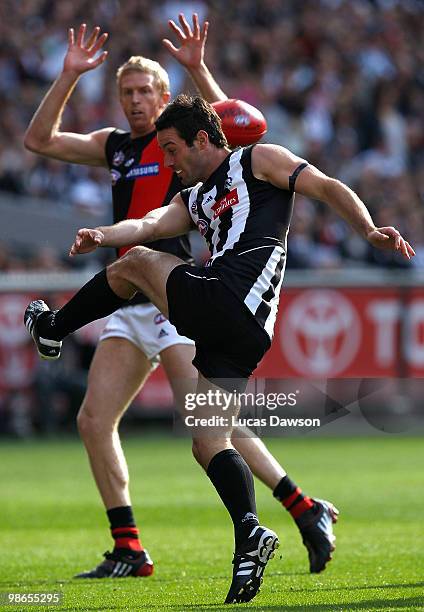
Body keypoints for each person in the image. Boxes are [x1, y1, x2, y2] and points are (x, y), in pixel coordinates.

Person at [24, 17, 339, 585]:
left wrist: (198, 67)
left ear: (168, 99)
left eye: (146, 90)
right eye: (127, 92)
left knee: (211, 422)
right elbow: (39, 141)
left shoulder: (187, 144)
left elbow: (240, 136)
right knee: (94, 420)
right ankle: (128, 547)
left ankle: (300, 506)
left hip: (178, 293)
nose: (137, 100)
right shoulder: (117, 148)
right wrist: (69, 76)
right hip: (126, 297)